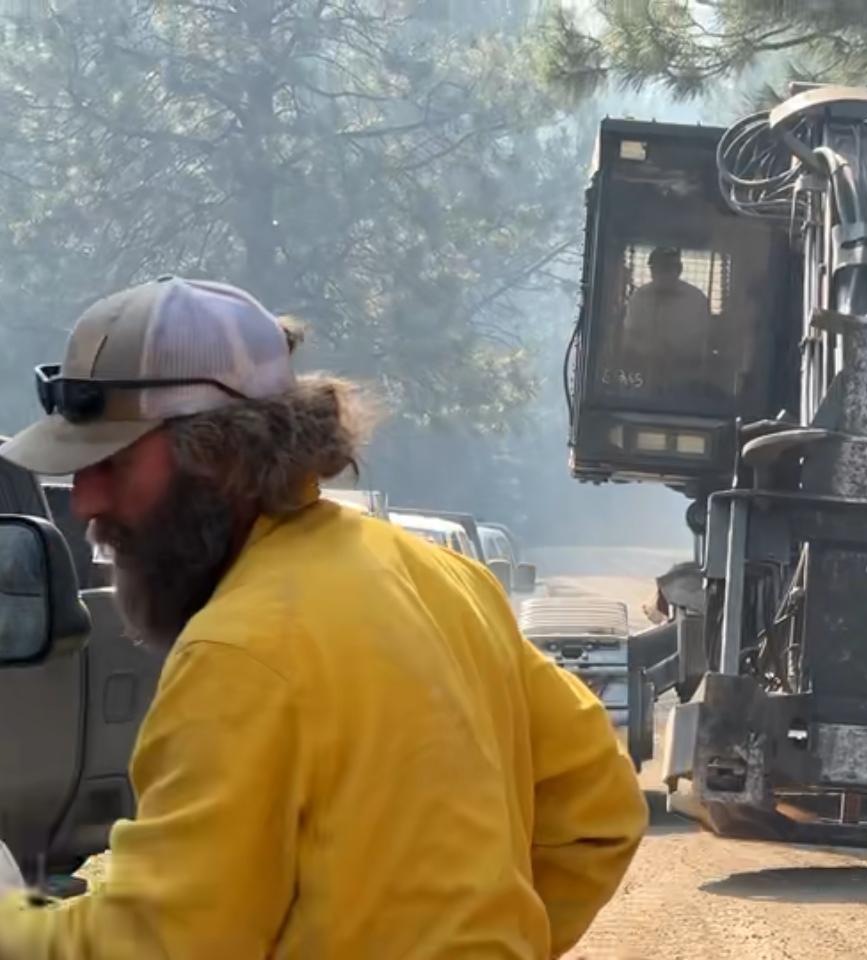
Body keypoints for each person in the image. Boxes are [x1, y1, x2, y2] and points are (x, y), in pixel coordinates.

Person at [0, 276, 647, 958]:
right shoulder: (443, 578)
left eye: (112, 463)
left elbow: (155, 945)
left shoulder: (237, 650)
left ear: (220, 453)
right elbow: (599, 813)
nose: (84, 502)